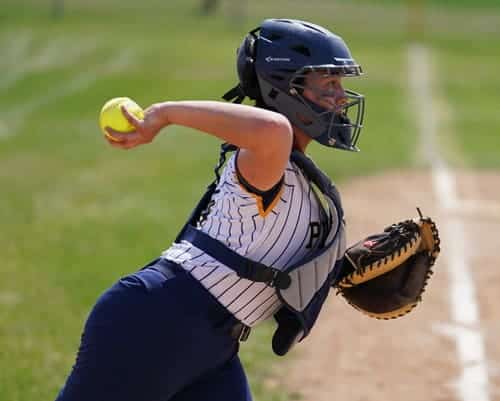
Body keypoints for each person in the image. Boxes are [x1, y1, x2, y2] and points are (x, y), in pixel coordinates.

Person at [55, 18, 365, 401]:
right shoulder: (265, 158)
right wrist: (165, 114)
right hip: (154, 324)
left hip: (215, 345)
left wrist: (344, 268)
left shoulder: (304, 183)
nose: (341, 97)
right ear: (287, 87)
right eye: (328, 83)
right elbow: (273, 130)